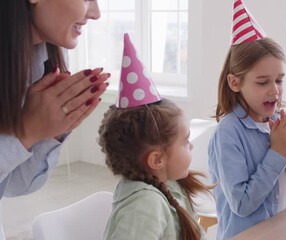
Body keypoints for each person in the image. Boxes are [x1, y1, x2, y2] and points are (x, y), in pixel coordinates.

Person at [0, 0, 109, 237]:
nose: (96, 13)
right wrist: (27, 131)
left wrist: (51, 130)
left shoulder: (47, 58)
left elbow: (15, 184)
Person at [208, 1, 286, 239]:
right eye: (263, 82)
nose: (274, 91)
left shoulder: (282, 122)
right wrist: (277, 153)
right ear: (235, 83)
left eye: (279, 80)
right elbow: (242, 204)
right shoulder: (229, 133)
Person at [98, 33, 211, 240]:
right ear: (157, 159)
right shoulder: (144, 205)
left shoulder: (171, 184)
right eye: (185, 141)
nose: (191, 146)